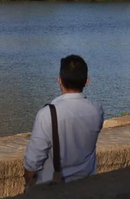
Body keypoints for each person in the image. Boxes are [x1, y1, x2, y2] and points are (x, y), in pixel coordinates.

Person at [23, 55, 105, 185]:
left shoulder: (47, 114)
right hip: (88, 184)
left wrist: (28, 183)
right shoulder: (97, 110)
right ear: (87, 81)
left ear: (59, 80)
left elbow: (33, 160)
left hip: (54, 187)